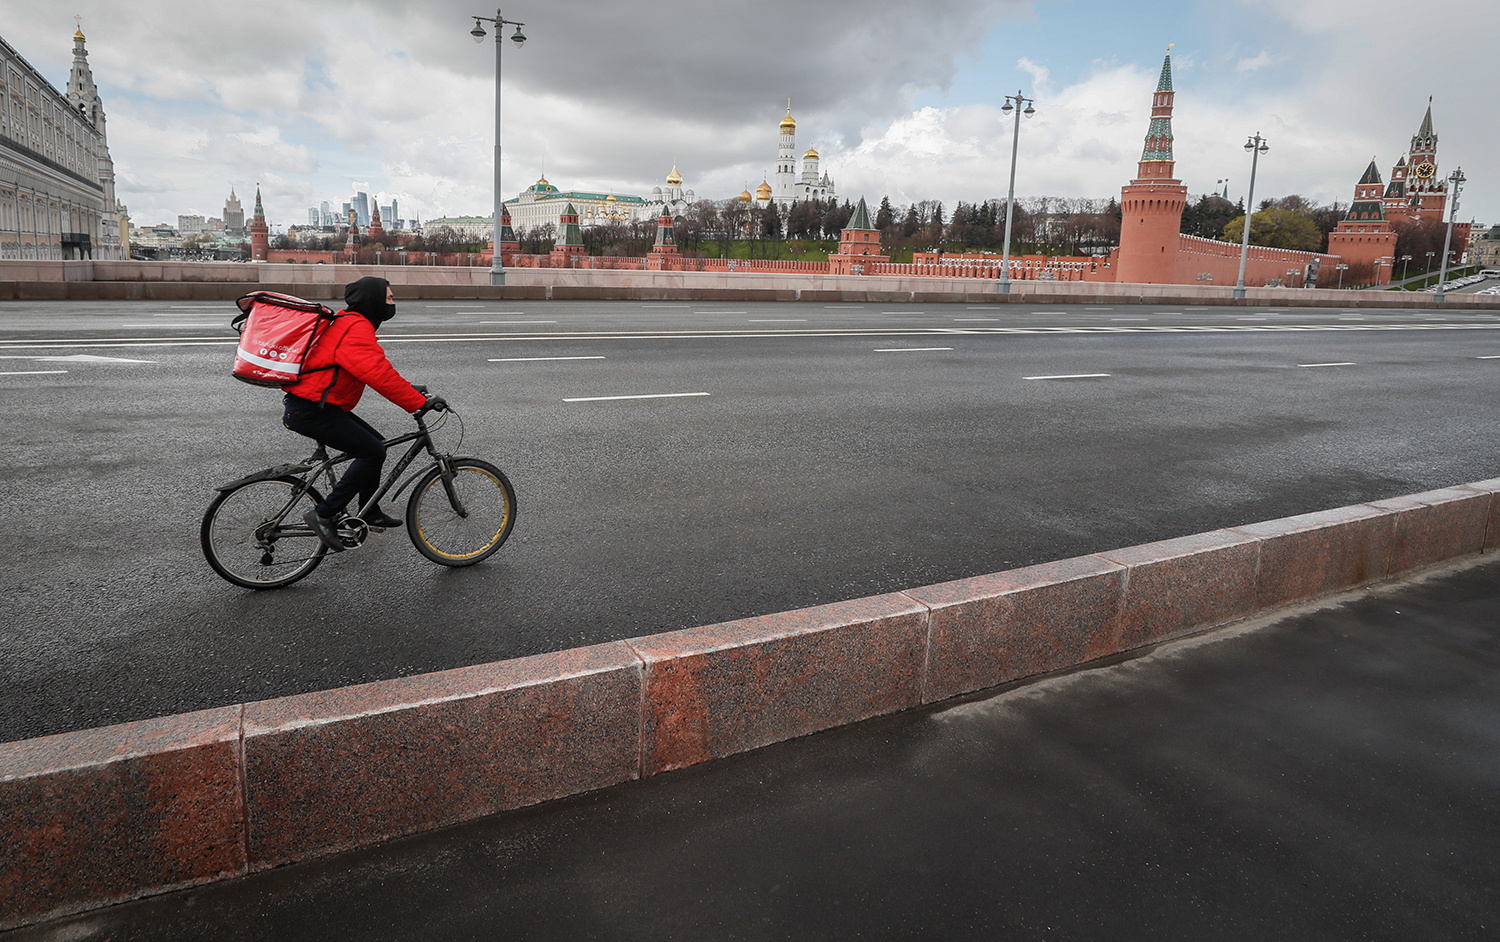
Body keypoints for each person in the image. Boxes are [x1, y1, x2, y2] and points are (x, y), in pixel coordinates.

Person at [282, 276, 443, 552]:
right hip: (311, 409)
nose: (392, 304)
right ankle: (324, 514)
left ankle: (369, 511)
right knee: (372, 451)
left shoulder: (350, 321)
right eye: (389, 299)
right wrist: (417, 402)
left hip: (318, 405)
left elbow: (372, 369)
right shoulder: (356, 328)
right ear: (373, 300)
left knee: (376, 444)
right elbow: (376, 373)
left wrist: (409, 389)